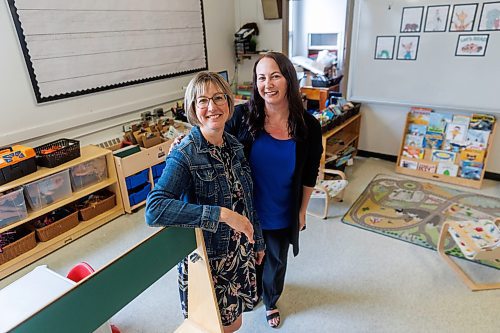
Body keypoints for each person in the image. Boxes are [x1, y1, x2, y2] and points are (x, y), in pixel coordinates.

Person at [145, 72, 265, 333]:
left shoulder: (233, 145)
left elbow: (246, 199)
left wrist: (258, 241)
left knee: (235, 323)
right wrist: (221, 214)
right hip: (208, 261)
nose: (212, 107)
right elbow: (154, 209)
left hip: (238, 254)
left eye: (218, 98)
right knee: (212, 327)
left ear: (229, 102)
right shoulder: (185, 152)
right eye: (202, 101)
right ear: (192, 108)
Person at [225, 52, 324, 328]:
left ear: (288, 79)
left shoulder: (309, 125)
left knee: (276, 261)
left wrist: (303, 211)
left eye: (275, 76)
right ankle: (252, 292)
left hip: (283, 209)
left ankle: (271, 300)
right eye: (261, 78)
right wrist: (187, 143)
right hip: (247, 211)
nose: (267, 84)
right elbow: (215, 139)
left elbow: (309, 172)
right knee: (250, 256)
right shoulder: (243, 116)